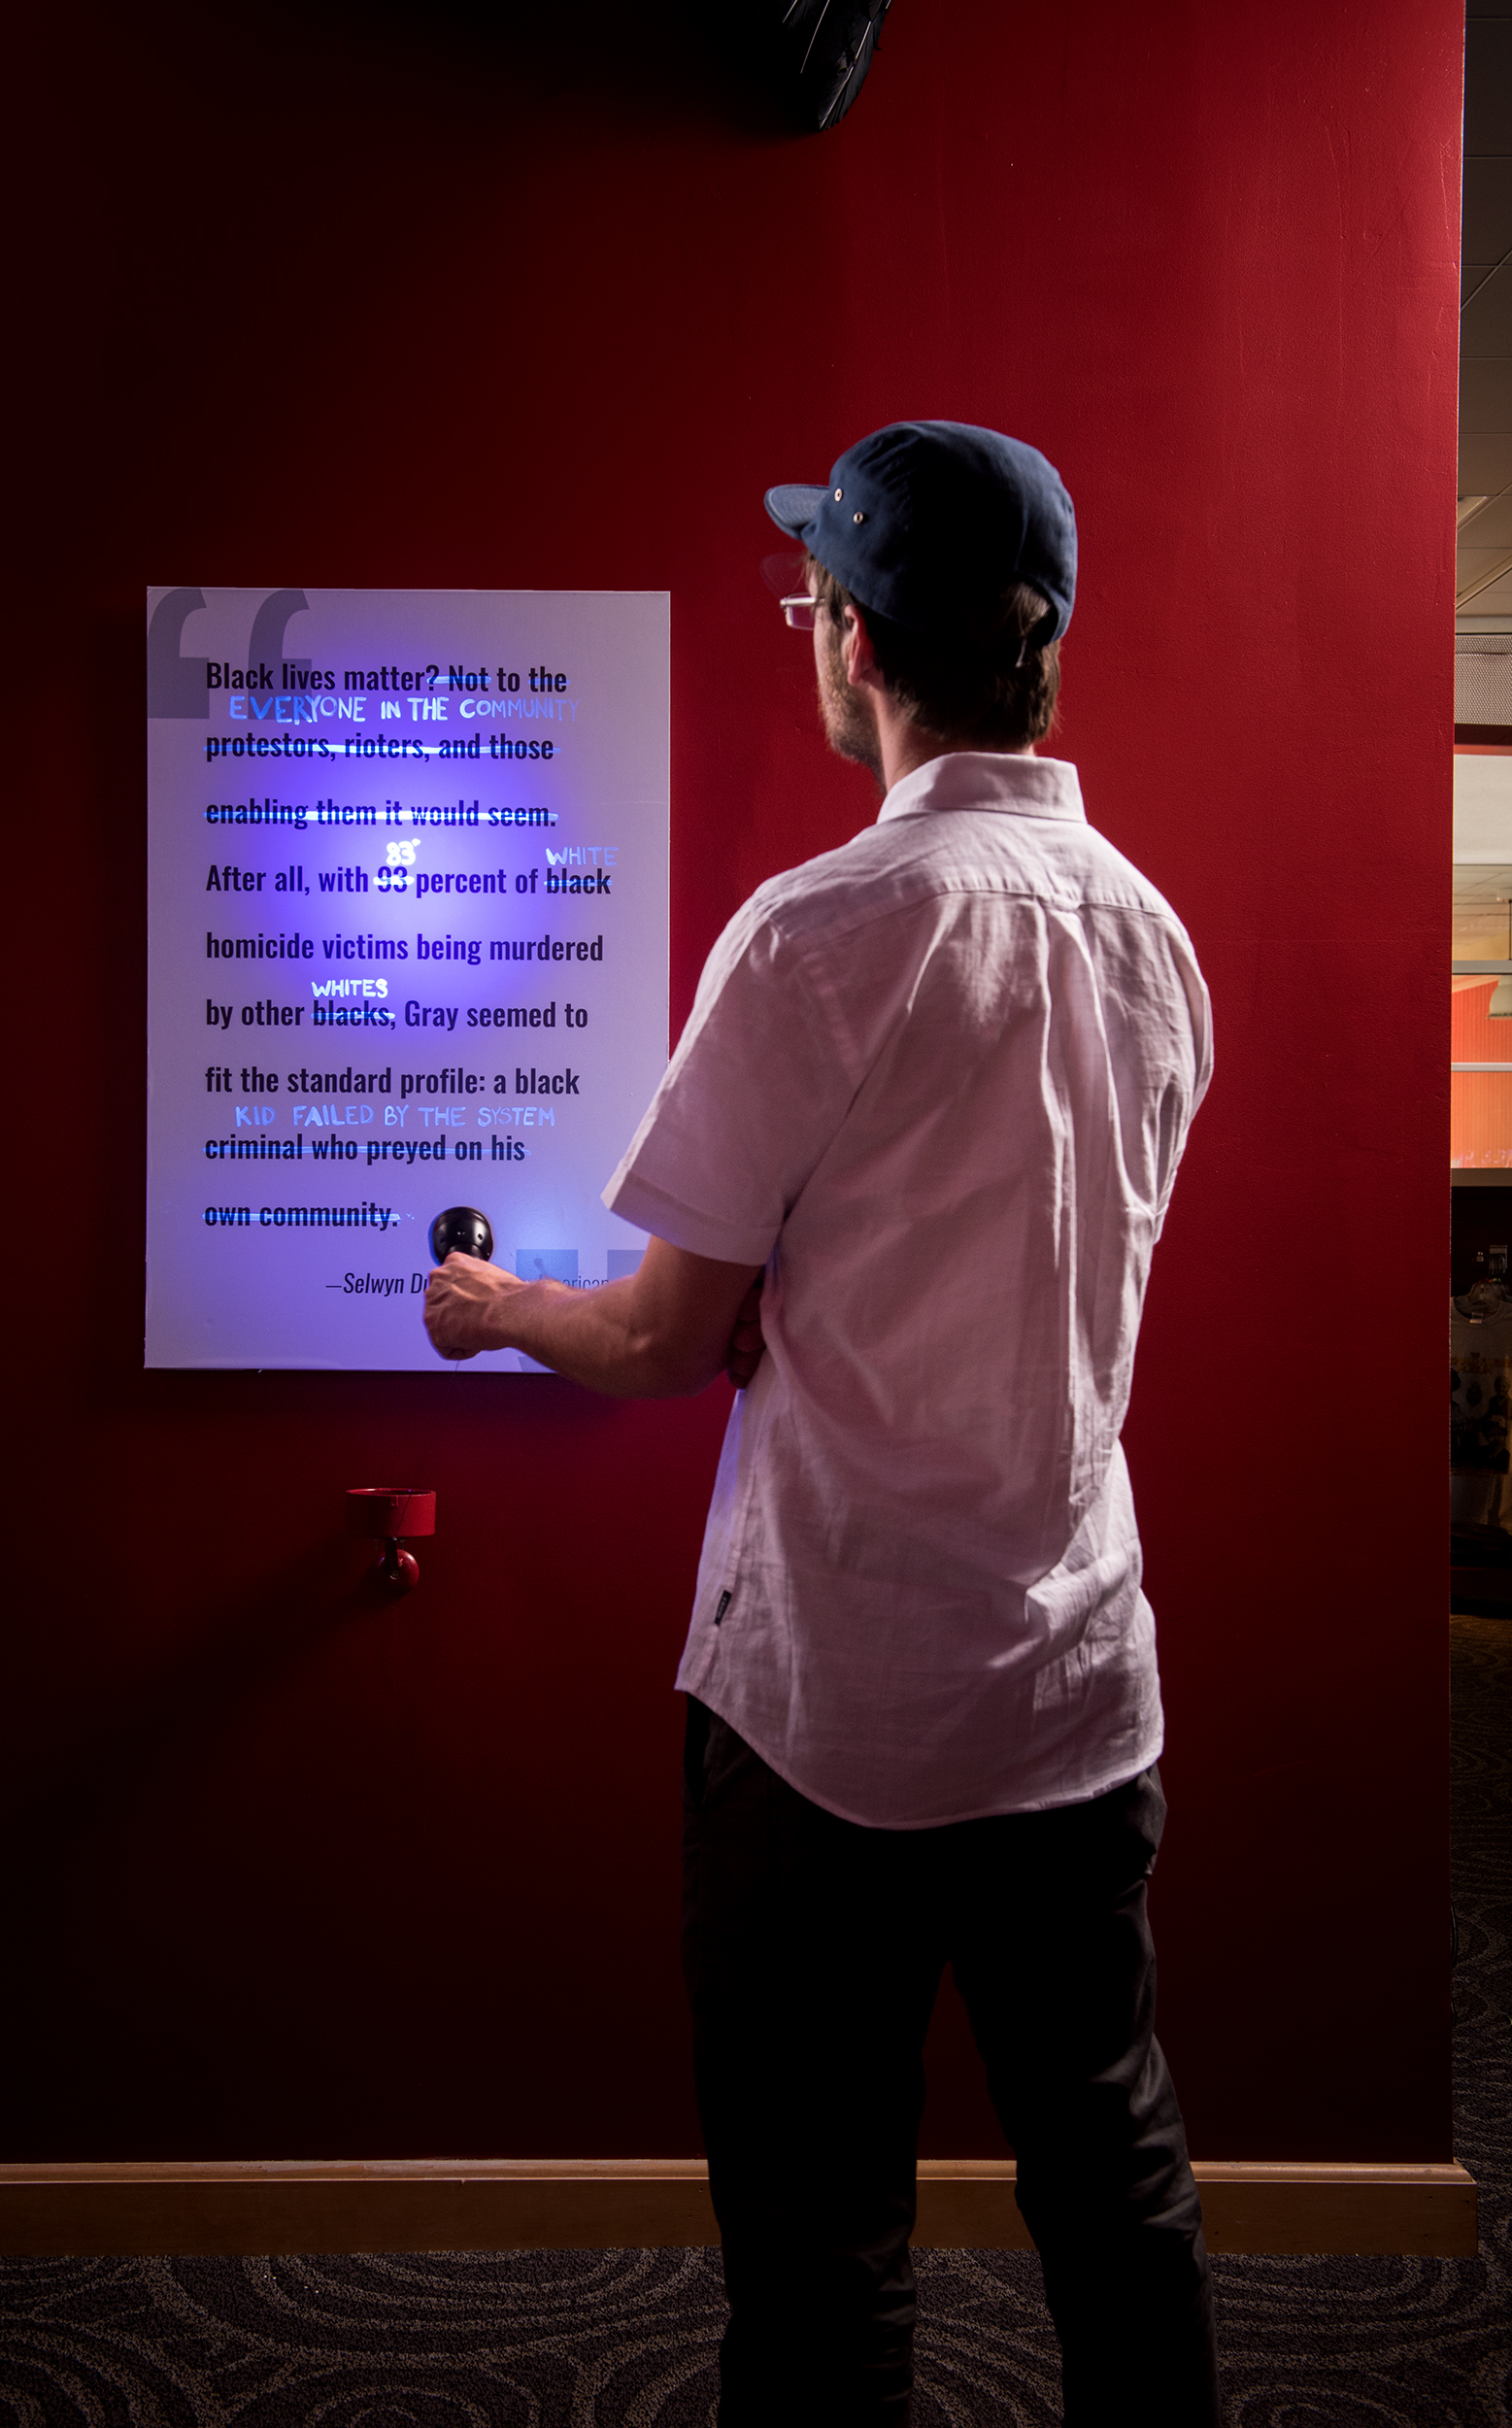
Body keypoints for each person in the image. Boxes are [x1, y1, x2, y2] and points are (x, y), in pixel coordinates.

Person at [423, 420, 1217, 2427]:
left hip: (829, 1717)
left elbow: (667, 1339)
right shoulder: (1155, 936)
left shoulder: (816, 932)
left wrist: (503, 1307)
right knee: (1117, 2191)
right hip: (1072, 1684)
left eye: (813, 595)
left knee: (822, 2241)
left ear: (854, 637)